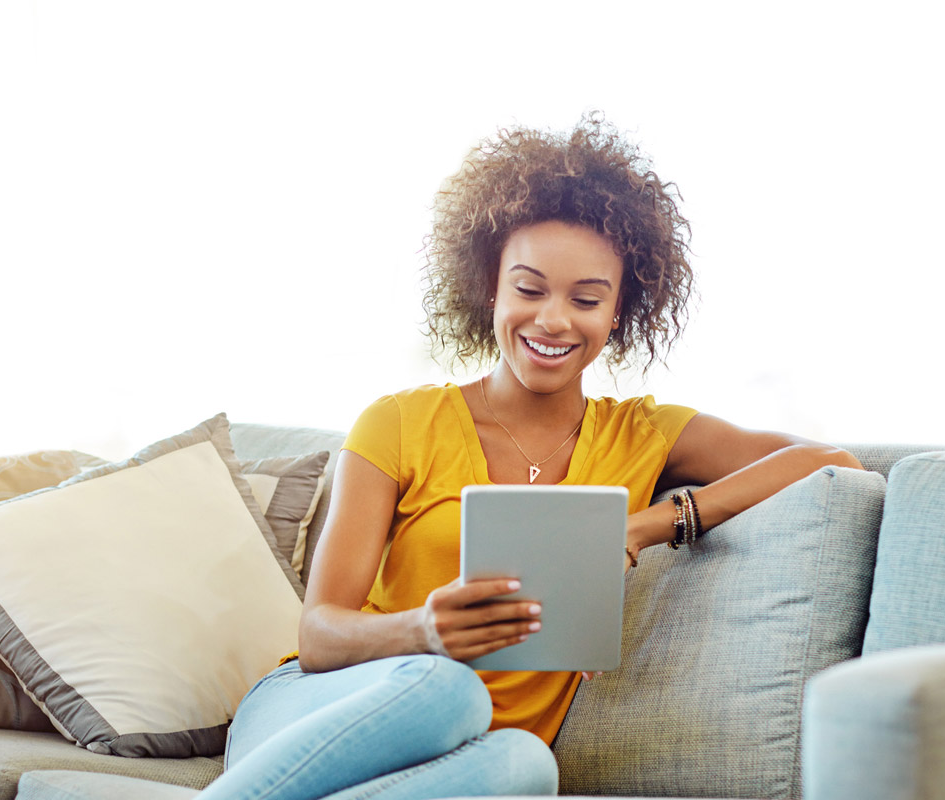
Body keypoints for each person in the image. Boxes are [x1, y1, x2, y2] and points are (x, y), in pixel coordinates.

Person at [199, 113, 863, 800]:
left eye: (586, 299)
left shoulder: (643, 435)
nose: (552, 320)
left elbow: (833, 462)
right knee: (449, 690)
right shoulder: (399, 422)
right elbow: (319, 635)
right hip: (318, 712)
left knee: (526, 767)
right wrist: (423, 629)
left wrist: (645, 527)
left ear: (618, 313)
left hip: (462, 757)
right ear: (490, 286)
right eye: (529, 288)